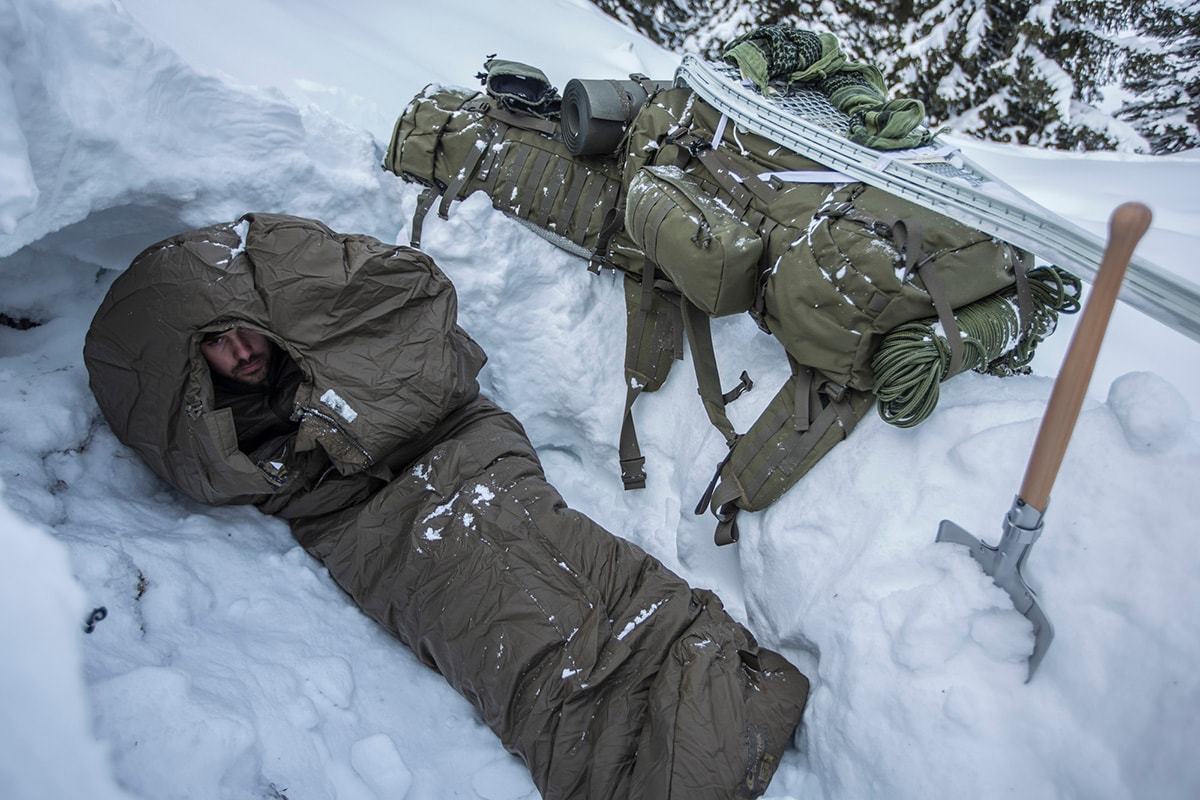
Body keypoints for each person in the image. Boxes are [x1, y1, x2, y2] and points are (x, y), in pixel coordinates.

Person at [84, 212, 809, 800]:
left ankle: (698, 669)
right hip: (359, 520)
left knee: (554, 542)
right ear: (189, 361)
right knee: (491, 620)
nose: (241, 350)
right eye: (215, 343)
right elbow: (195, 459)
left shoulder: (330, 335)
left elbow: (421, 340)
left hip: (457, 438)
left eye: (244, 327)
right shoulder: (212, 422)